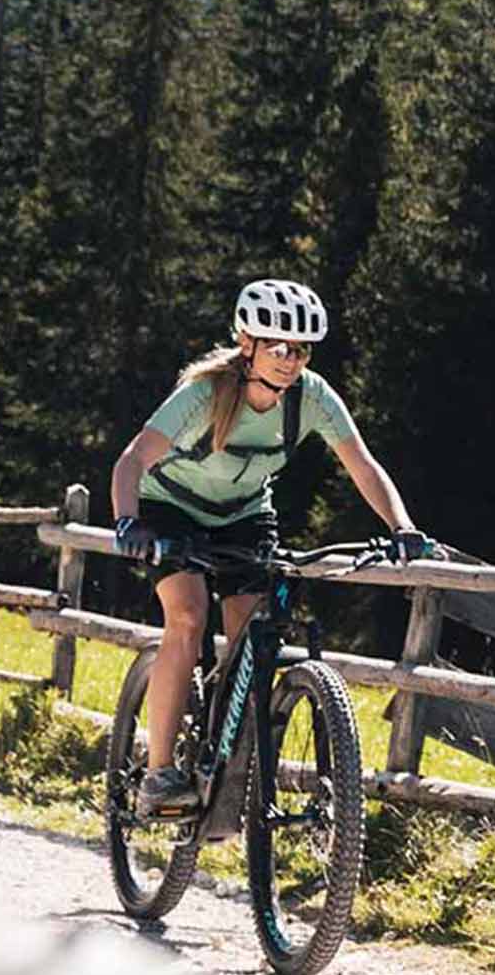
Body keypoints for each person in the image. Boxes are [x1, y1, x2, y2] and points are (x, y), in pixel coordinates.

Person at [109, 279, 438, 815]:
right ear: (248, 344)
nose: (290, 360)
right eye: (278, 347)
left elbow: (361, 464)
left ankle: (226, 759)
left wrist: (403, 527)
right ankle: (160, 773)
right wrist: (128, 524)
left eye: (301, 349)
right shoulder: (204, 394)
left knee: (252, 639)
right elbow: (131, 461)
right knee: (189, 617)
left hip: (244, 516)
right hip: (170, 510)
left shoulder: (313, 398)